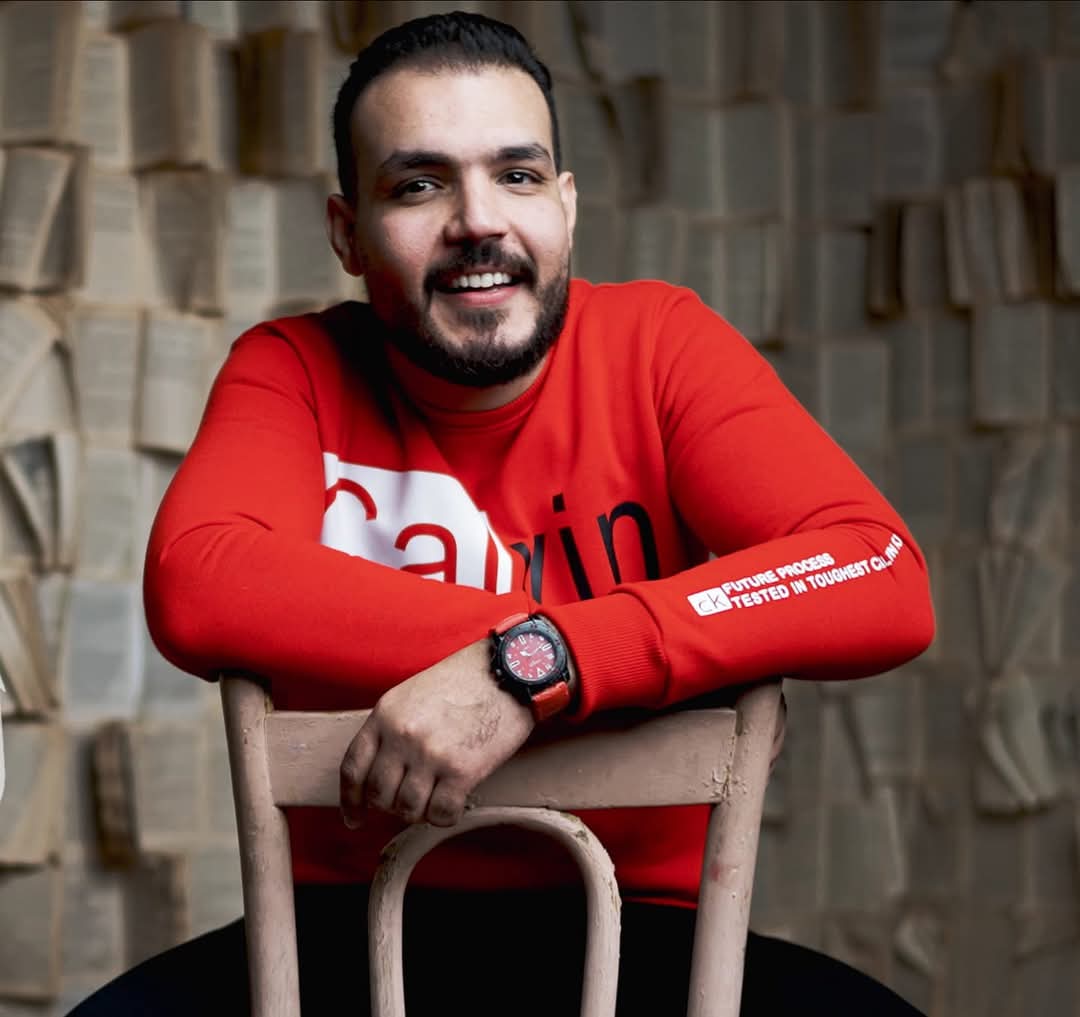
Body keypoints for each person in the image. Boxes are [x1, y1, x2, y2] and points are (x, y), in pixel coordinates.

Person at [73, 11, 933, 1017]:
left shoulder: (661, 343)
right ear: (348, 234)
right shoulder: (292, 367)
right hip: (339, 935)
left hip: (646, 938)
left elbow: (879, 571)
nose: (478, 220)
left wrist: (546, 664)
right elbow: (199, 578)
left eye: (517, 176)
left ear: (566, 207)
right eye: (419, 184)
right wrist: (610, 662)